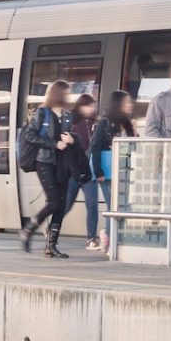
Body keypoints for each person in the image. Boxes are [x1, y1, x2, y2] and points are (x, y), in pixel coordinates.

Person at [19, 80, 76, 257]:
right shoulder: (43, 113)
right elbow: (29, 135)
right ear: (58, 94)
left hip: (63, 164)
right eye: (66, 92)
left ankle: (51, 246)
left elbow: (68, 137)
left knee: (61, 205)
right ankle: (29, 228)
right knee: (54, 202)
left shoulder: (67, 115)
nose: (69, 96)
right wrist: (53, 144)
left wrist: (71, 140)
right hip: (44, 162)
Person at [90, 90, 135, 251]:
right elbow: (95, 147)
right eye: (127, 102)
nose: (130, 105)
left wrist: (134, 134)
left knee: (122, 205)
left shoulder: (128, 124)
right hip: (107, 172)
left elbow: (132, 148)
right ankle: (109, 237)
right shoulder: (105, 122)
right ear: (119, 104)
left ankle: (111, 236)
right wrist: (98, 171)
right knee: (113, 205)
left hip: (123, 171)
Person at [63, 94, 103, 250]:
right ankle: (52, 228)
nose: (92, 109)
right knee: (67, 204)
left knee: (92, 204)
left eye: (93, 106)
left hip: (88, 171)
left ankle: (91, 239)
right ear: (80, 106)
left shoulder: (96, 123)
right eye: (89, 106)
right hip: (73, 171)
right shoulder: (71, 123)